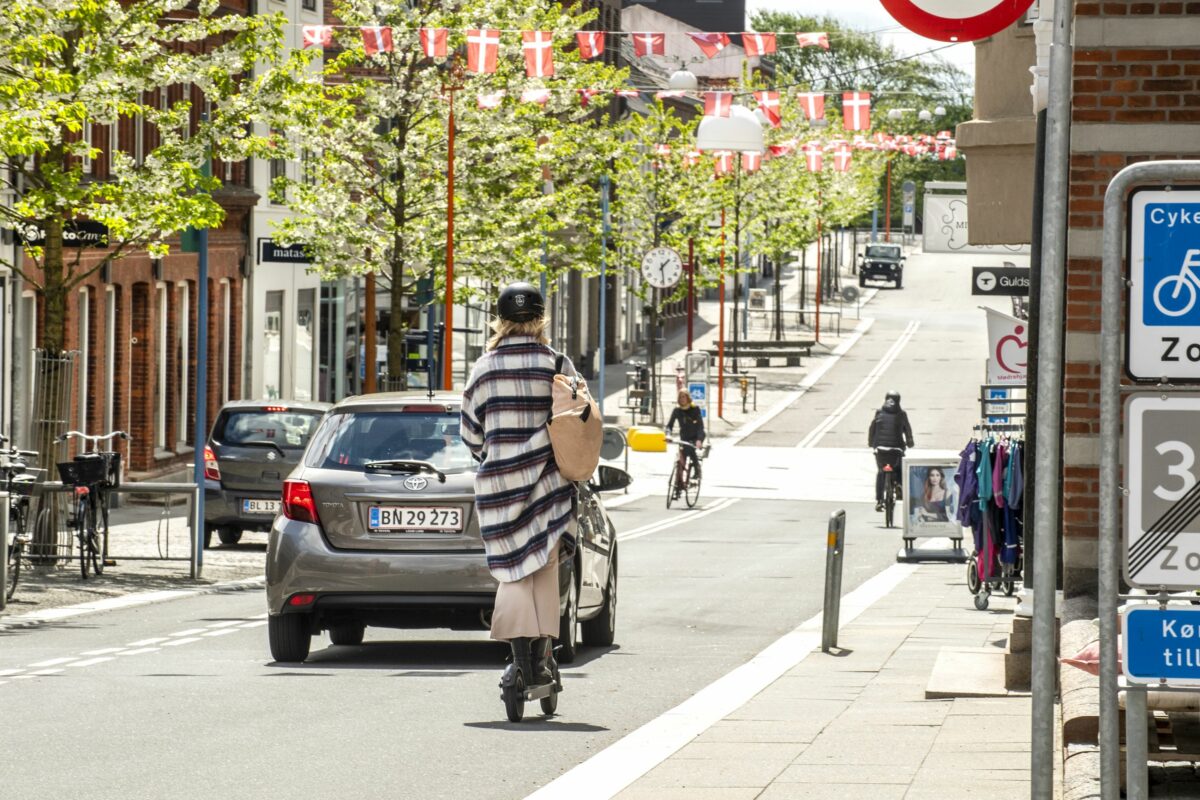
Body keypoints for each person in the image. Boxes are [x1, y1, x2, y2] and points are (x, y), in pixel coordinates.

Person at [459, 282, 576, 691]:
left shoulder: (484, 367)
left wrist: (496, 455)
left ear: (501, 321)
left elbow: (470, 434)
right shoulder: (557, 364)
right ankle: (542, 659)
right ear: (541, 320)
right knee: (543, 568)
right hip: (548, 489)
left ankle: (518, 657)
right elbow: (578, 421)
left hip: (499, 491)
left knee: (511, 571)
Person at [867, 390, 914, 512]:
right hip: (896, 449)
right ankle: (899, 486)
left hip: (880, 449)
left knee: (881, 472)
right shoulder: (902, 414)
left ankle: (879, 500)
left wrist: (871, 443)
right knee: (899, 468)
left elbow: (872, 429)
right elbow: (907, 430)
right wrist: (910, 443)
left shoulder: (879, 412)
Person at [666, 389, 705, 496]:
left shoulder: (695, 409)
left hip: (695, 437)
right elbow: (669, 425)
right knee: (680, 460)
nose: (682, 399)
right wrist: (668, 435)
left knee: (689, 450)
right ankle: (678, 485)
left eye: (684, 397)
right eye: (680, 397)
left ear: (688, 398)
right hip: (683, 438)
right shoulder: (677, 411)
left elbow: (701, 427)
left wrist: (699, 440)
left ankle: (697, 470)